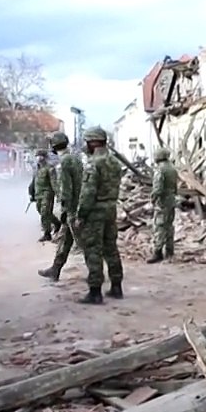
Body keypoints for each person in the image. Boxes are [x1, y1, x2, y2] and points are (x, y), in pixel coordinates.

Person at [76, 126, 124, 304]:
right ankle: (117, 286)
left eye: (88, 142)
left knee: (93, 249)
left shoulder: (94, 163)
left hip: (95, 211)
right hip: (111, 209)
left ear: (94, 142)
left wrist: (81, 215)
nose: (86, 145)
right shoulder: (114, 162)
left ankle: (95, 292)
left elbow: (88, 192)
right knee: (111, 247)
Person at [38, 132, 83, 281]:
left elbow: (65, 189)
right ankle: (55, 268)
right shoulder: (76, 159)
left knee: (84, 244)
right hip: (77, 205)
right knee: (65, 239)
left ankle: (98, 276)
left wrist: (64, 208)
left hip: (72, 208)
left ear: (53, 146)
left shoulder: (63, 162)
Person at [147, 146, 179, 263]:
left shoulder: (160, 170)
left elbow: (158, 188)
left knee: (159, 226)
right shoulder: (172, 169)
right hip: (171, 200)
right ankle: (170, 251)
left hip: (162, 201)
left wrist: (153, 199)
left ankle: (157, 252)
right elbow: (175, 186)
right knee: (169, 225)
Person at [28, 149, 60, 242]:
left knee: (45, 212)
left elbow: (54, 183)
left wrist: (58, 195)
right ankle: (56, 223)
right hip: (38, 193)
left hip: (47, 193)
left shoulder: (50, 168)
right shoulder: (36, 168)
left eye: (40, 156)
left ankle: (47, 233)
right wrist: (31, 193)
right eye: (37, 156)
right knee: (41, 211)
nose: (38, 158)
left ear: (44, 157)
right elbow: (33, 182)